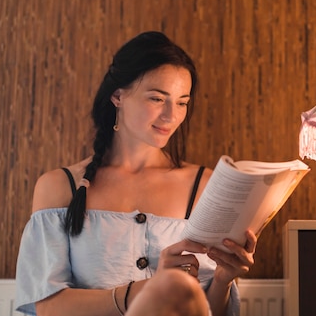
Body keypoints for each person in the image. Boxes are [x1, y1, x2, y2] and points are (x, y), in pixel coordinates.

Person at [15, 31, 257, 316]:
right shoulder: (60, 187)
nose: (171, 115)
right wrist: (141, 292)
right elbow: (47, 307)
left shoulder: (205, 186)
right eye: (157, 99)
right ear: (118, 96)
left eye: (182, 102)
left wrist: (223, 280)